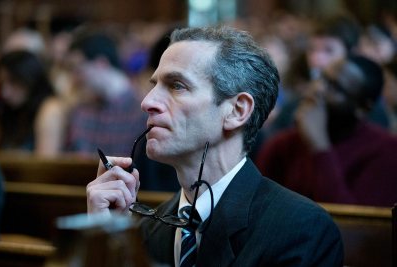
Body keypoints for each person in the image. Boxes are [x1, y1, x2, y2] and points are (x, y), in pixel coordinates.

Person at [87, 26, 343, 266]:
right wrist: (107, 240)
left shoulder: (301, 230)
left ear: (236, 110)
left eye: (177, 85)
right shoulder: (146, 230)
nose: (147, 102)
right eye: (154, 85)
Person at [255, 55, 397, 207]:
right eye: (321, 77)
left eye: (335, 87)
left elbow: (356, 225)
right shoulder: (282, 144)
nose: (318, 89)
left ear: (362, 108)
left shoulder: (386, 151)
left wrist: (320, 146)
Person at [65, 29, 147, 157]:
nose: (74, 79)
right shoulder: (82, 109)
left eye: (78, 69)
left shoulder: (142, 110)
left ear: (101, 64)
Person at [0, 50, 67, 156]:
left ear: (30, 78)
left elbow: (45, 167)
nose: (5, 92)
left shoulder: (50, 109)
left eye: (13, 81)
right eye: (2, 83)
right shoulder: (9, 109)